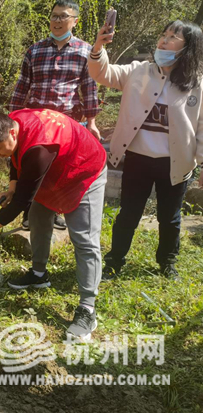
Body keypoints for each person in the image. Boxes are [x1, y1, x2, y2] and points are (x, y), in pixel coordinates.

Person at [0, 109, 107, 339]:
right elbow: (16, 157)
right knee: (37, 217)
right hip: (54, 169)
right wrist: (13, 185)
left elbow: (22, 200)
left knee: (84, 239)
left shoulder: (39, 149)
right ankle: (38, 274)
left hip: (83, 170)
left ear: (12, 133)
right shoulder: (12, 123)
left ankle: (88, 308)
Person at [89, 20, 203, 281]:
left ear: (189, 48)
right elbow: (102, 73)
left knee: (170, 218)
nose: (163, 41)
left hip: (175, 162)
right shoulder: (138, 71)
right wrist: (98, 46)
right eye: (163, 34)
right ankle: (114, 261)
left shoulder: (197, 83)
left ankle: (167, 262)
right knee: (128, 213)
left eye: (173, 37)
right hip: (138, 158)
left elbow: (202, 128)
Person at [8, 0, 102, 231]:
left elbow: (89, 88)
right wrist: (11, 116)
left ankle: (54, 210)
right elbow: (23, 84)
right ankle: (28, 212)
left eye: (63, 16)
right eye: (54, 16)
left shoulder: (85, 51)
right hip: (35, 120)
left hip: (67, 122)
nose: (57, 21)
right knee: (30, 166)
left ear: (75, 21)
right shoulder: (35, 50)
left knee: (60, 169)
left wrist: (91, 122)